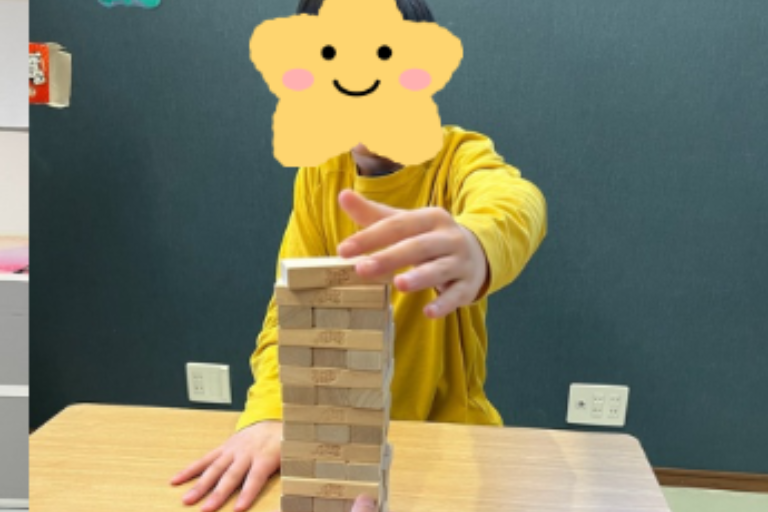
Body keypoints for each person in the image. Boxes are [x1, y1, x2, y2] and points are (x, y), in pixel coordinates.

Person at [171, 1, 547, 511]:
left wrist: (477, 243)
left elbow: (516, 202)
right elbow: (291, 311)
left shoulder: (456, 159)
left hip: (449, 434)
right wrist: (271, 413)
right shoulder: (320, 175)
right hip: (340, 438)